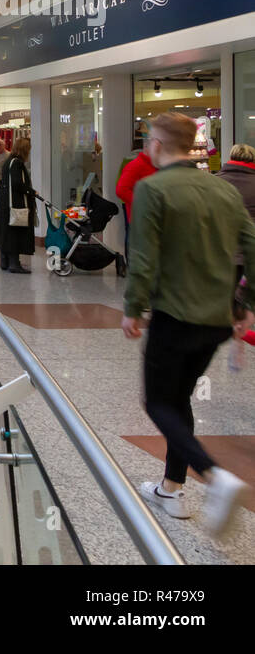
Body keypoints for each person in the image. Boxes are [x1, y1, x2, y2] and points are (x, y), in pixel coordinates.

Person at [124, 113, 255, 535]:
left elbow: (143, 258)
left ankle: (213, 476)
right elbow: (252, 245)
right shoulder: (222, 188)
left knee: (158, 403)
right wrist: (248, 304)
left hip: (175, 316)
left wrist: (133, 308)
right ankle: (171, 488)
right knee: (179, 400)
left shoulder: (153, 188)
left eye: (148, 140)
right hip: (216, 320)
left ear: (157, 145)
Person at [0, 137, 36, 273]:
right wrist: (31, 191)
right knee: (16, 232)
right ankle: (14, 263)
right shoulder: (17, 163)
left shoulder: (9, 162)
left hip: (6, 204)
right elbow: (18, 184)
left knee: (7, 231)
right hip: (17, 205)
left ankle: (5, 261)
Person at [116, 147, 157, 263]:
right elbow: (121, 189)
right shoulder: (135, 165)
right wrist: (142, 202)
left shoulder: (156, 166)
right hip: (140, 217)